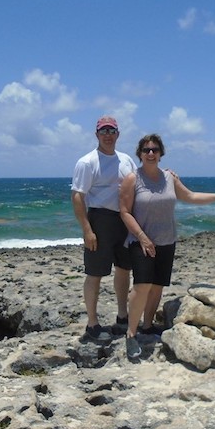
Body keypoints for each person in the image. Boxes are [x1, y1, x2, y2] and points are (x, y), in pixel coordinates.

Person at [119, 134, 215, 359]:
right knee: (142, 286)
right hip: (141, 242)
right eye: (146, 150)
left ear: (161, 153)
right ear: (140, 154)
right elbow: (124, 212)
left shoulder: (170, 177)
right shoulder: (133, 179)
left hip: (166, 241)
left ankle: (148, 326)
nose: (150, 153)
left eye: (155, 149)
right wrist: (142, 237)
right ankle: (131, 335)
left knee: (157, 287)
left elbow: (190, 196)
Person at [71, 116, 137, 342]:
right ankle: (92, 324)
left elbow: (138, 186)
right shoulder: (87, 162)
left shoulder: (126, 160)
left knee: (123, 268)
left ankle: (122, 317)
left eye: (112, 131)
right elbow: (78, 196)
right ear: (96, 134)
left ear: (118, 134)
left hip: (125, 219)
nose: (108, 135)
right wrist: (87, 230)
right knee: (95, 273)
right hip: (100, 220)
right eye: (103, 131)